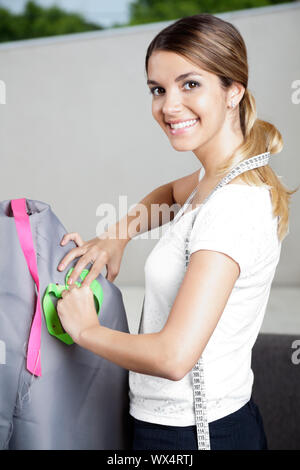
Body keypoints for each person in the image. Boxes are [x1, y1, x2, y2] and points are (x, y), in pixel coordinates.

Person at [55, 14, 298, 450]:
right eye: (158, 89)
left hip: (196, 436)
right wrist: (119, 234)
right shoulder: (217, 177)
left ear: (233, 91)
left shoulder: (234, 207)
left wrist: (85, 331)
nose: (168, 106)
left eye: (190, 84)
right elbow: (168, 192)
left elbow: (173, 357)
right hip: (167, 425)